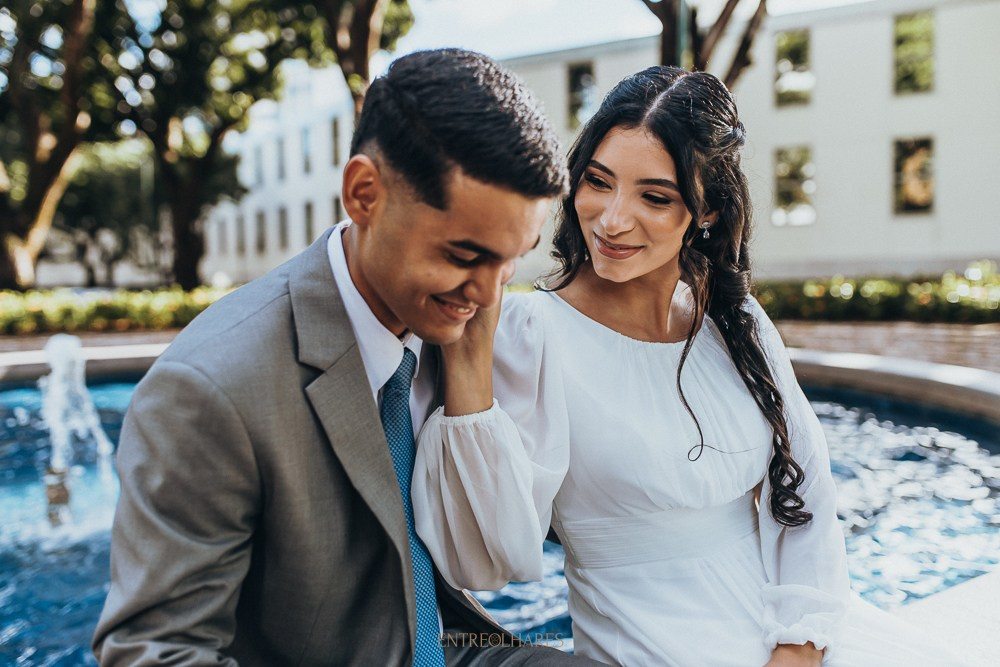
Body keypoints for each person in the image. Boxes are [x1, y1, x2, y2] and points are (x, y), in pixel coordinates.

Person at [412, 66, 968, 666]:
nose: (613, 219)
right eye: (598, 182)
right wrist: (469, 364)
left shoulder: (736, 322)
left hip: (802, 632)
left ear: (705, 211)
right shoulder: (531, 333)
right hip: (652, 644)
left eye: (655, 197)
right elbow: (484, 561)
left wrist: (799, 644)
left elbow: (805, 492)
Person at [93, 48, 603, 666]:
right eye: (466, 255)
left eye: (512, 258)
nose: (489, 296)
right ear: (363, 194)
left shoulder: (454, 318)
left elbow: (492, 567)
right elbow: (157, 653)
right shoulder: (211, 390)